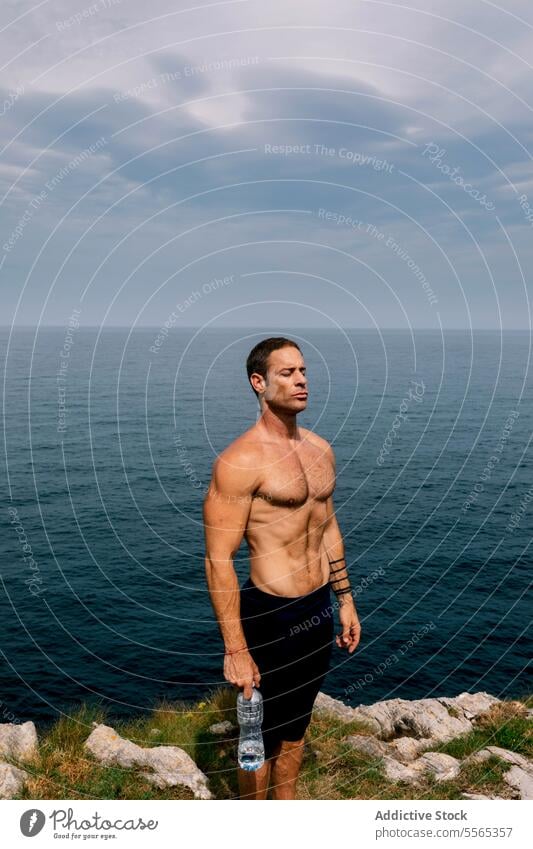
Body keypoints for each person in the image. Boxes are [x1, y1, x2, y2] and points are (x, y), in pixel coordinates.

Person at [203, 337, 361, 800]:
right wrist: (235, 647)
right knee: (258, 738)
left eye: (303, 371)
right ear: (258, 382)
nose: (301, 380)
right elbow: (218, 560)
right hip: (267, 616)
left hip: (316, 609)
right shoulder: (240, 462)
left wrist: (345, 599)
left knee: (296, 728)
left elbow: (327, 526)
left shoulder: (320, 450)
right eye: (287, 373)